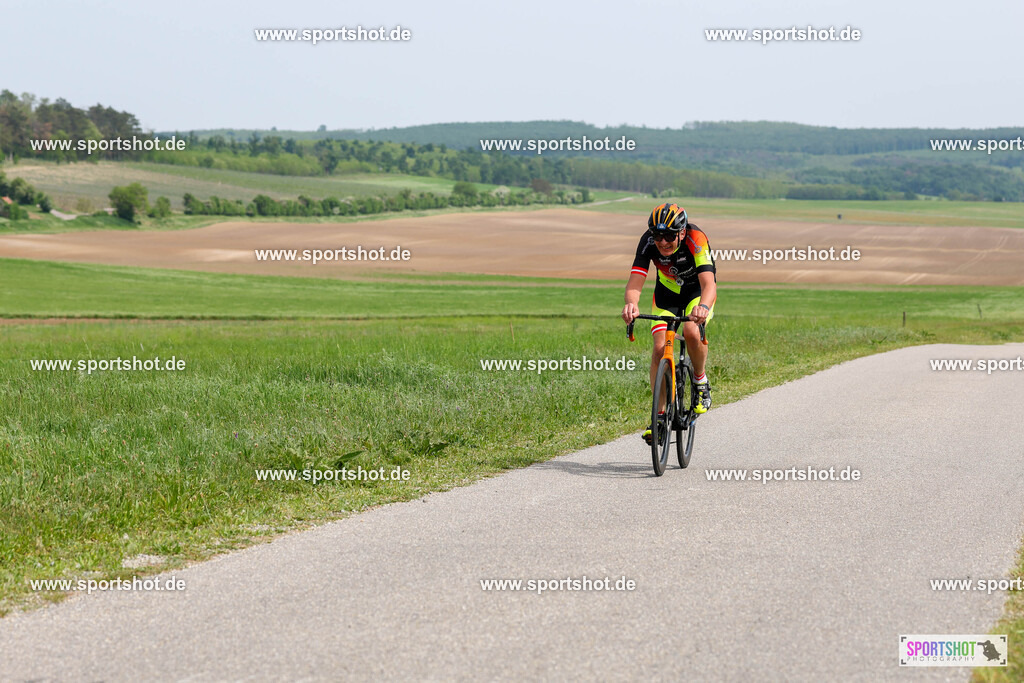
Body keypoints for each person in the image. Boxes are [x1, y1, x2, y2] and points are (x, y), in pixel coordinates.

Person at [621, 203, 717, 443]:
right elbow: (635, 282)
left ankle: (699, 379)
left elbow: (709, 284)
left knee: (692, 331)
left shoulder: (696, 239)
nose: (662, 241)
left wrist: (703, 307)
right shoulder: (647, 241)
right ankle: (659, 418)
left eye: (669, 236)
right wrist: (631, 304)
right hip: (666, 293)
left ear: (681, 233)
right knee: (658, 348)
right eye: (658, 235)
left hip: (696, 292)